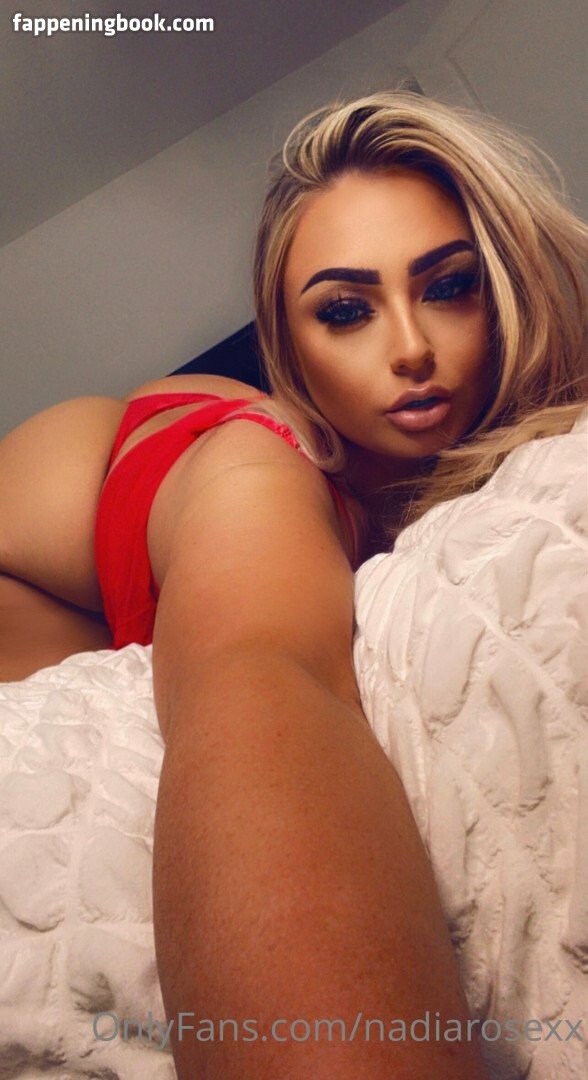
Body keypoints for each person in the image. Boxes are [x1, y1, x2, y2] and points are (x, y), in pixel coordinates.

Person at [0, 90, 585, 1078]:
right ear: (292, 356)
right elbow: (257, 674)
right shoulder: (263, 462)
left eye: (449, 286)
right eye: (345, 311)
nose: (409, 346)